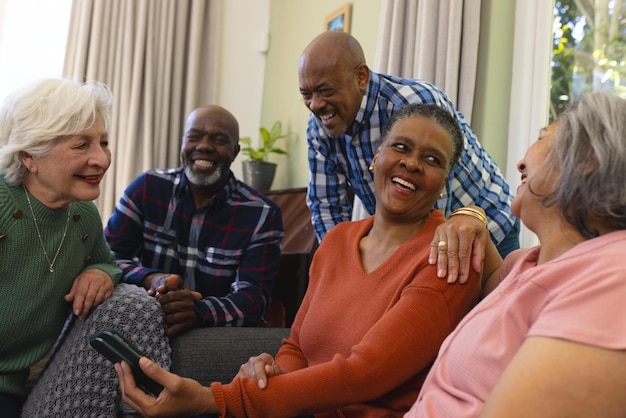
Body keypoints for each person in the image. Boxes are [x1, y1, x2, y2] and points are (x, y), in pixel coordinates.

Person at [115, 103, 483, 417]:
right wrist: (273, 371)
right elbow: (297, 347)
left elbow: (364, 374)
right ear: (375, 159)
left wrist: (214, 399)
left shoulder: (449, 255)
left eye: (432, 159)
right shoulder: (338, 240)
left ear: (444, 181)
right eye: (400, 147)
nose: (412, 163)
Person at [406, 90, 626, 417]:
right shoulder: (532, 262)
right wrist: (472, 215)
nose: (521, 161)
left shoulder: (611, 278)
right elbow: (496, 280)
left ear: (586, 159)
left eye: (542, 139)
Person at [0, 78, 161, 417]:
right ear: (29, 154)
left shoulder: (82, 215)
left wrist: (99, 272)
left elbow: (108, 262)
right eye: (81, 145)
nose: (101, 159)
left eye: (103, 142)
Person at [299, 31, 519, 268]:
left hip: (491, 228)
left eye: (326, 91)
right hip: (420, 238)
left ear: (361, 77)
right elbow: (326, 203)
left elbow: (433, 204)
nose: (316, 104)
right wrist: (340, 267)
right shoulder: (319, 126)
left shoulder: (415, 103)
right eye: (306, 94)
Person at [104, 105, 284, 337]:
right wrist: (151, 278)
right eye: (194, 137)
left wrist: (199, 310)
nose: (204, 146)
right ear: (183, 144)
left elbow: (253, 299)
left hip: (214, 333)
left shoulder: (262, 214)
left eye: (219, 140)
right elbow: (107, 258)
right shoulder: (147, 188)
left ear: (235, 152)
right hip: (146, 321)